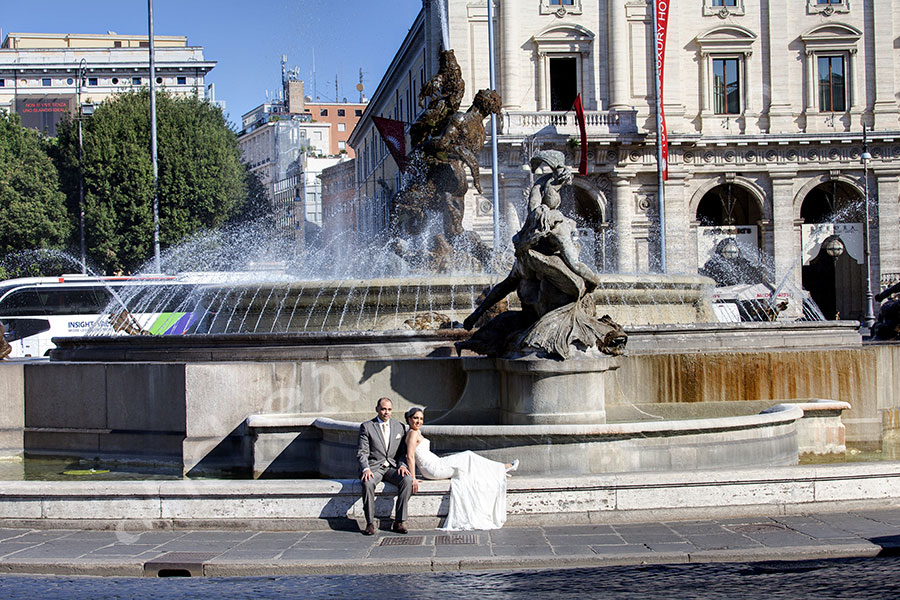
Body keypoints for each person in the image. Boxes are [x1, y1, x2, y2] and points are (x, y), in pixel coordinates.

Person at [404, 407, 518, 531]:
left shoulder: (416, 432)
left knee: (468, 464)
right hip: (433, 468)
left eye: (421, 419)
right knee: (468, 456)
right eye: (415, 418)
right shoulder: (413, 433)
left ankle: (497, 471)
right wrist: (413, 478)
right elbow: (410, 456)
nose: (418, 421)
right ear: (409, 419)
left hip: (435, 464)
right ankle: (501, 468)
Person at [357, 397, 414, 535]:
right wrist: (366, 469)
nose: (386, 412)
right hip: (374, 467)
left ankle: (399, 521)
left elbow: (402, 452)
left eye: (389, 409)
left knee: (407, 480)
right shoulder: (367, 426)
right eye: (383, 409)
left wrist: (402, 465)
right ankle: (370, 523)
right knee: (368, 483)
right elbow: (362, 452)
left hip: (392, 468)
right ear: (377, 409)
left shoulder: (399, 426)